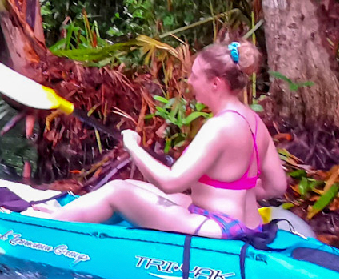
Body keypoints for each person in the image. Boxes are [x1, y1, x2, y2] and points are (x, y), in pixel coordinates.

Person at [29, 40, 287, 238]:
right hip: (248, 223)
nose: (190, 82)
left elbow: (171, 183)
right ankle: (65, 216)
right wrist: (232, 190)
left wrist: (133, 148)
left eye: (195, 76)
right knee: (136, 186)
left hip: (219, 226)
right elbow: (277, 187)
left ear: (216, 83)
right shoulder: (254, 121)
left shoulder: (219, 127)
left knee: (119, 191)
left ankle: (51, 227)